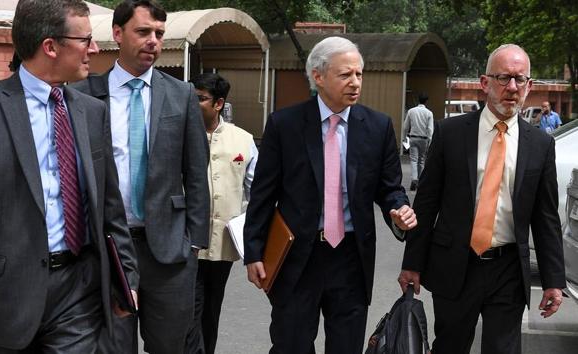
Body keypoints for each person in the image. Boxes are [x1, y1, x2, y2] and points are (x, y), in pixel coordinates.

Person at [0, 0, 139, 352]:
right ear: (50, 47)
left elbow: (110, 205)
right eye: (85, 40)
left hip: (78, 291)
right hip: (4, 294)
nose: (94, 50)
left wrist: (126, 277)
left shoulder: (92, 113)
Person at [243, 36, 417, 353]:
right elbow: (263, 194)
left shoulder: (377, 127)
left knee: (346, 347)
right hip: (298, 257)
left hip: (351, 257)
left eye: (359, 74)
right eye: (345, 74)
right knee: (290, 344)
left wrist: (400, 209)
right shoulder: (285, 124)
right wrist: (254, 251)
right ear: (319, 76)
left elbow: (390, 189)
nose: (355, 82)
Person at [399, 44, 565, 354]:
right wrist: (412, 263)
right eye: (503, 78)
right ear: (484, 82)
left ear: (529, 86)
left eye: (520, 79)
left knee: (503, 349)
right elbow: (427, 202)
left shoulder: (540, 145)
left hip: (508, 271)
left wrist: (554, 279)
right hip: (454, 265)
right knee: (449, 346)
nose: (512, 88)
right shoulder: (450, 133)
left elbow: (546, 218)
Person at [72, 1, 210, 353]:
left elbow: (196, 172)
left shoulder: (180, 95)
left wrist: (194, 242)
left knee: (170, 345)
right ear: (118, 34)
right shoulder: (85, 95)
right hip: (110, 249)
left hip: (170, 252)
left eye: (159, 34)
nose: (153, 41)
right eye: (143, 31)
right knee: (114, 346)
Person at [185, 73, 258, 354]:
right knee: (189, 312)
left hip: (223, 245)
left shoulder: (243, 140)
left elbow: (257, 191)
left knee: (210, 313)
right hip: (184, 244)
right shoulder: (179, 135)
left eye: (200, 99)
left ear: (218, 104)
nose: (193, 104)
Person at [402, 93, 434, 191]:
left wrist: (404, 137)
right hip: (424, 139)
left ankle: (414, 179)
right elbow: (430, 129)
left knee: (414, 159)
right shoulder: (429, 113)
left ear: (418, 100)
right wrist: (430, 140)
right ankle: (420, 180)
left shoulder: (411, 111)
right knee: (421, 160)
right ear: (426, 101)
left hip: (413, 138)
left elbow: (406, 126)